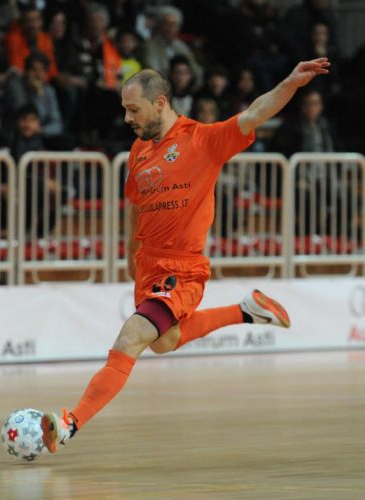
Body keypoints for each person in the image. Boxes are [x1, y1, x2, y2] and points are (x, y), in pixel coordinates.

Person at [39, 57, 330, 454]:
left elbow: (256, 111)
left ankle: (71, 421)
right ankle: (246, 310)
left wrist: (291, 83)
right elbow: (135, 205)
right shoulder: (139, 150)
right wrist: (130, 250)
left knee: (131, 338)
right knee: (163, 340)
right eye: (125, 109)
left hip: (182, 270)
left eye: (133, 109)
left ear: (160, 103)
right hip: (148, 266)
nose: (127, 118)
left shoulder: (203, 140)